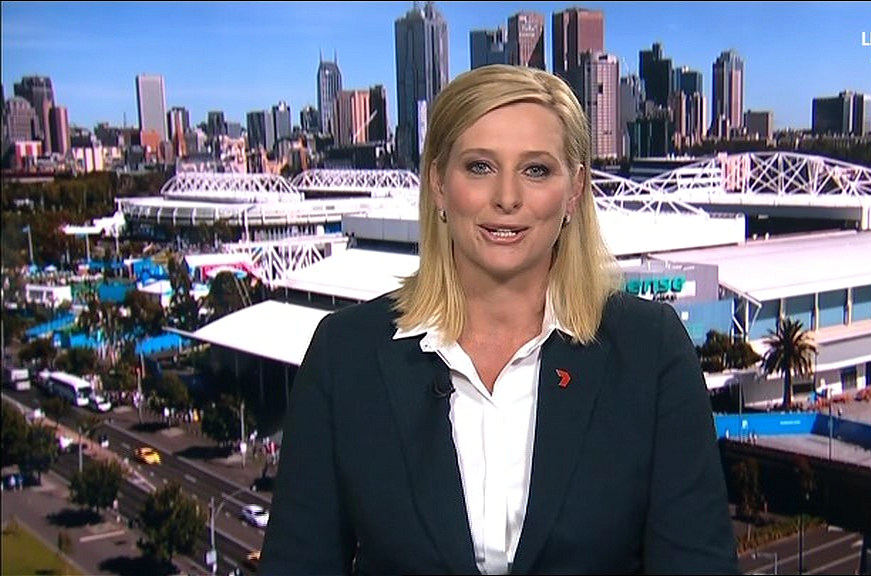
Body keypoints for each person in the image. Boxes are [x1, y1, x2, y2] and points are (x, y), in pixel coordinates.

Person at [259, 65, 737, 575]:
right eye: (480, 166)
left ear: (574, 190)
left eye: (536, 170)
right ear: (439, 183)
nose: (507, 197)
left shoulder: (650, 351)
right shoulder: (344, 354)